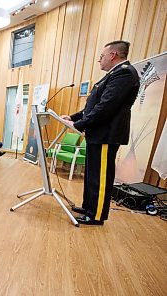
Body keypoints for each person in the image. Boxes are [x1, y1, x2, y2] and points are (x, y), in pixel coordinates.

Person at [61, 40, 140, 226]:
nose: (100, 60)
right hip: (98, 134)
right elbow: (93, 105)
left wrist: (79, 124)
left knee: (101, 176)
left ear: (113, 55)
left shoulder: (124, 74)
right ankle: (89, 206)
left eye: (102, 56)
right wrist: (72, 117)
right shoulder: (113, 74)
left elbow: (105, 107)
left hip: (107, 134)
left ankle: (96, 215)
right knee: (92, 174)